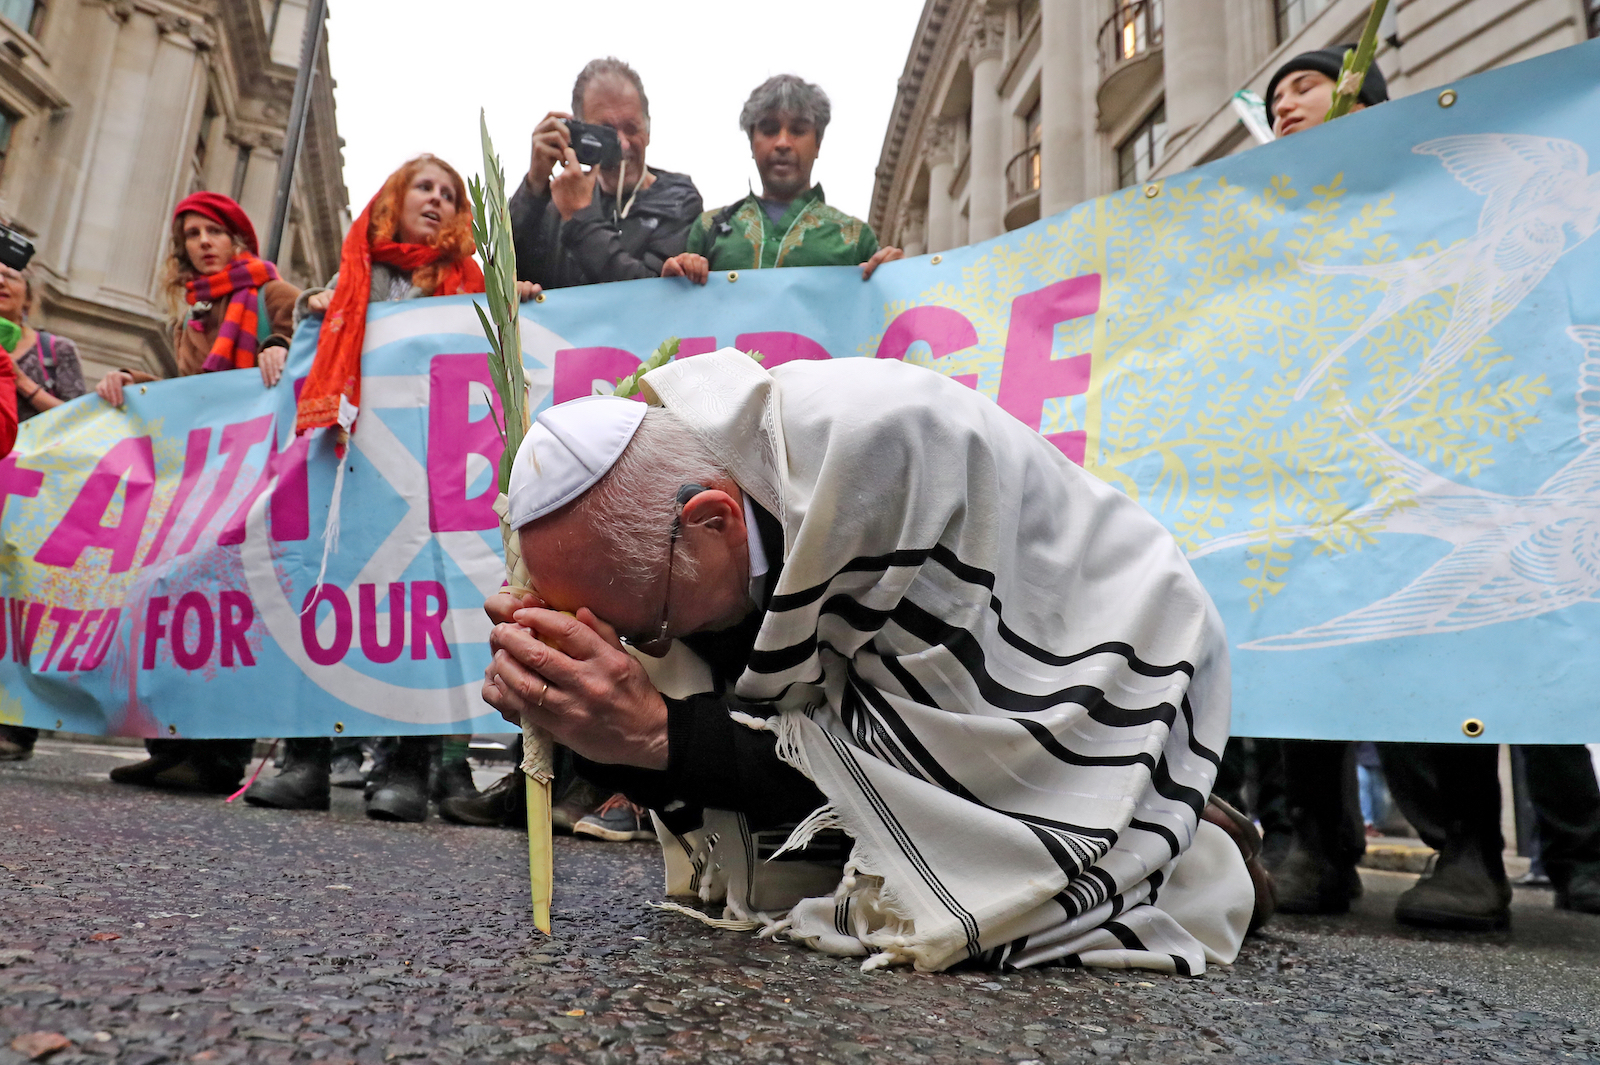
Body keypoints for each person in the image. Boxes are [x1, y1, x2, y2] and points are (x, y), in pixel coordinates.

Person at [478, 349, 1269, 974]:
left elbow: (900, 770)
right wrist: (588, 719)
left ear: (712, 518)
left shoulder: (892, 457)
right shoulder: (700, 529)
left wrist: (655, 734)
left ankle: (1162, 826)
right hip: (914, 695)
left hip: (1092, 654)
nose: (647, 649)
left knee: (974, 913)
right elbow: (778, 726)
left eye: (641, 625)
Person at [1263, 46, 1600, 927]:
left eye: (1305, 84)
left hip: (1448, 433)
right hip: (1309, 447)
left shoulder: (1436, 178)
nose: (1287, 102)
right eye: (1274, 97)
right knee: (1288, 626)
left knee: (1443, 635)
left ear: (1361, 93)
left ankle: (1470, 848)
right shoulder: (1264, 211)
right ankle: (1314, 840)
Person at [248, 154, 531, 822]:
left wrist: (512, 309)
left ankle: (407, 766)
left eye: (449, 193)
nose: (435, 199)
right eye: (422, 187)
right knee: (324, 594)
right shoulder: (346, 280)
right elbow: (308, 363)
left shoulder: (472, 290)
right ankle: (307, 759)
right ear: (393, 200)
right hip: (344, 472)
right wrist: (284, 343)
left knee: (424, 611)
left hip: (425, 479)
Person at [98, 192, 296, 793]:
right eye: (191, 235)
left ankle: (219, 757)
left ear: (238, 240)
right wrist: (138, 386)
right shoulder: (195, 313)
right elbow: (193, 393)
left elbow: (312, 343)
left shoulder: (270, 293)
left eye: (213, 232)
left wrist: (280, 346)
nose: (202, 243)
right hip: (201, 482)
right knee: (177, 604)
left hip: (256, 480)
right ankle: (170, 745)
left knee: (232, 612)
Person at [662, 75, 902, 284]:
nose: (783, 143)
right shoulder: (709, 228)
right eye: (769, 130)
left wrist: (900, 276)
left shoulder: (854, 238)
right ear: (751, 142)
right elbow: (677, 324)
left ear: (818, 143)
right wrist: (675, 282)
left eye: (798, 130)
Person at [510, 57, 702, 289]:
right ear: (580, 133)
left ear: (648, 130)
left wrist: (580, 217)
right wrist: (534, 186)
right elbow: (502, 270)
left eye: (632, 128)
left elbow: (652, 293)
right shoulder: (556, 202)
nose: (623, 144)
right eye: (606, 131)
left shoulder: (677, 199)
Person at [0, 263, 87, 762]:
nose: (1, 282)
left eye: (11, 275)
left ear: (29, 292)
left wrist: (21, 383)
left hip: (35, 504)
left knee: (21, 612)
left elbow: (80, 421)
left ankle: (14, 725)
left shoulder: (57, 352)